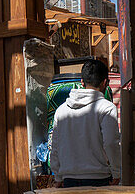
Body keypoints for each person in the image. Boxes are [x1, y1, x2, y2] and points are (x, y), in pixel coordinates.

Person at [49, 58, 121, 187]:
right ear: (105, 82)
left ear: (82, 82)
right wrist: (117, 172)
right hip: (98, 179)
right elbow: (111, 143)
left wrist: (58, 177)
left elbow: (55, 147)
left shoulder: (61, 110)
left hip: (68, 180)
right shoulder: (107, 108)